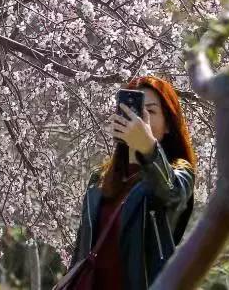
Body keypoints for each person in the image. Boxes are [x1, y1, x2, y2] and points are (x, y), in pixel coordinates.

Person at [67, 76, 197, 290]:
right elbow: (81, 254)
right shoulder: (99, 179)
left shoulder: (178, 172)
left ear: (168, 126)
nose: (140, 118)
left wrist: (148, 148)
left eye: (151, 111)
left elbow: (171, 192)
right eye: (132, 109)